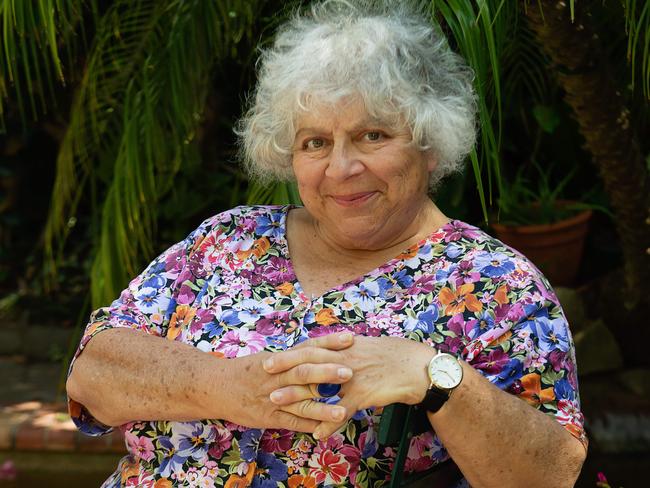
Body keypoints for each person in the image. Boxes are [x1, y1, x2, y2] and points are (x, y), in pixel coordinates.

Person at [66, 1, 587, 487]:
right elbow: (93, 375)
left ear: (430, 144)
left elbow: (552, 473)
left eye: (373, 136)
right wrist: (228, 385)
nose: (342, 168)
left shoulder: (496, 283)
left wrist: (435, 377)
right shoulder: (230, 239)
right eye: (315, 142)